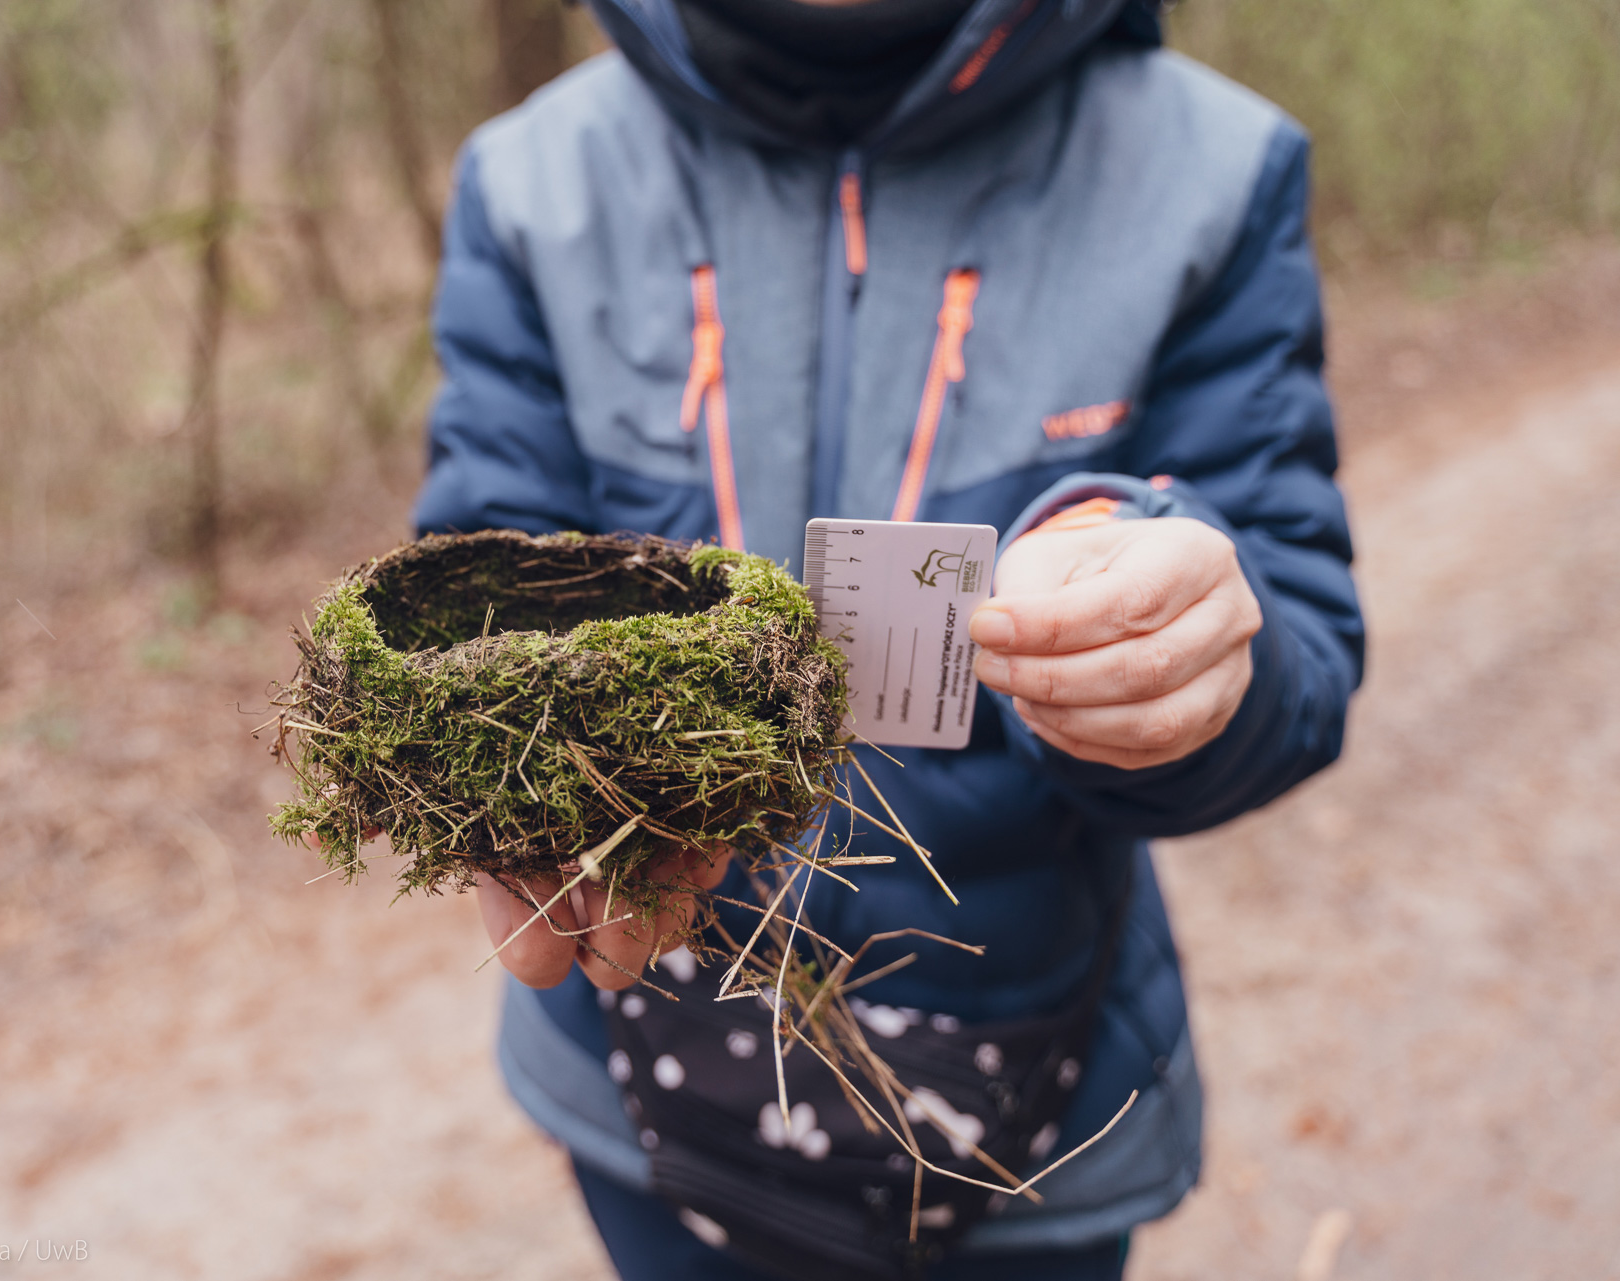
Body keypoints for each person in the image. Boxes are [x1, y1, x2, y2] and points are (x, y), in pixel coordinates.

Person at [412, 0, 1364, 1276]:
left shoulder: (1211, 170)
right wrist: (490, 735)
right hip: (636, 1056)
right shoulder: (537, 177)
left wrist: (1180, 666)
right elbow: (481, 565)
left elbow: (1296, 644)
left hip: (1033, 1101)